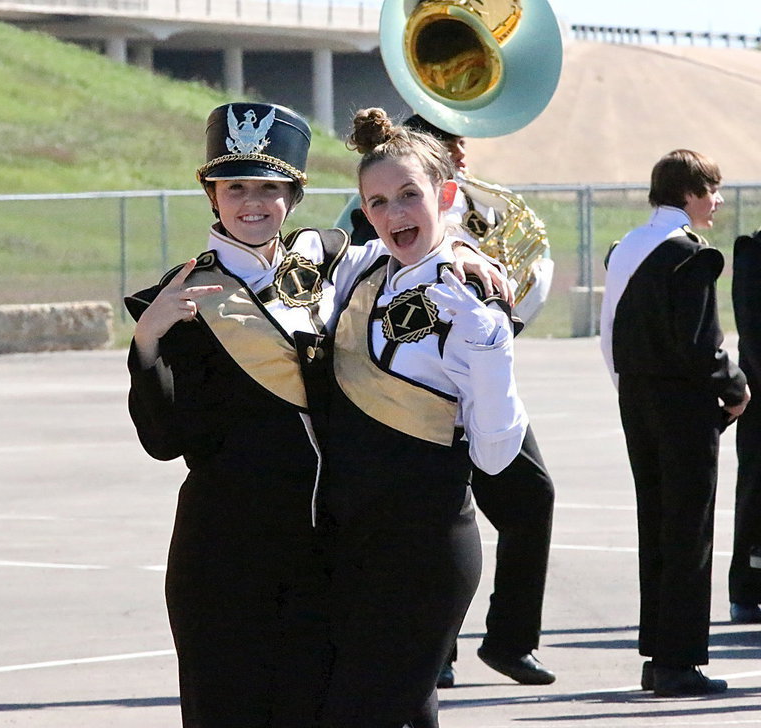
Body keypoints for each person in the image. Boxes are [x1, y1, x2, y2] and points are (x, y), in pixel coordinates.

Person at [124, 101, 507, 728]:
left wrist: (464, 250)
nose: (253, 203)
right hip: (229, 558)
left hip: (330, 554)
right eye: (236, 187)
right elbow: (165, 442)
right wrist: (147, 342)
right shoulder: (182, 295)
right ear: (211, 196)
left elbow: (409, 247)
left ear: (294, 195)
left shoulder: (327, 257)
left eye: (270, 188)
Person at [315, 107, 528, 728]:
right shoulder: (361, 269)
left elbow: (495, 455)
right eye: (377, 202)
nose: (395, 215)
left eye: (410, 195)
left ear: (447, 193)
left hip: (425, 552)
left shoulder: (471, 303)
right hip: (354, 546)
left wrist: (489, 345)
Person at [599, 149, 750, 697]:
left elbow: (608, 332)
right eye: (712, 190)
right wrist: (735, 390)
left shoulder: (626, 248)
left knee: (657, 527)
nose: (718, 200)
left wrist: (629, 389)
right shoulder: (689, 255)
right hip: (683, 407)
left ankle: (657, 655)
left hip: (636, 398)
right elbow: (703, 345)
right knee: (690, 533)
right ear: (689, 193)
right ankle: (678, 664)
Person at [729, 227, 761, 623]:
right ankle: (746, 590)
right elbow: (752, 330)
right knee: (755, 488)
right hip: (760, 394)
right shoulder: (752, 251)